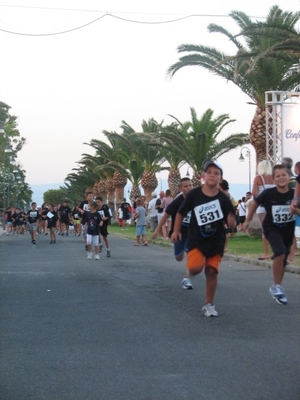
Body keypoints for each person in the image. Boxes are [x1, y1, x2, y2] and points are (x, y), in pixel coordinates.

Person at [172, 160, 236, 317]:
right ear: (203, 176)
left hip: (216, 240)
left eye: (216, 173)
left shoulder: (223, 198)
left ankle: (209, 304)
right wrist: (176, 231)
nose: (212, 175)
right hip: (197, 240)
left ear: (220, 179)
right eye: (209, 172)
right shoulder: (194, 195)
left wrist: (232, 221)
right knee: (195, 268)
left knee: (212, 271)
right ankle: (191, 271)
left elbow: (231, 216)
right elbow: (180, 213)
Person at [242, 164, 299, 305]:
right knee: (279, 251)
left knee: (283, 258)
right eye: (278, 176)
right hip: (271, 227)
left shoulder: (294, 195)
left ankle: (276, 286)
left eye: (283, 175)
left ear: (288, 177)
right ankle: (278, 287)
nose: (281, 178)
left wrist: (295, 211)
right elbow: (255, 203)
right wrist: (247, 220)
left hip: (287, 229)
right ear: (273, 179)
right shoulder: (268, 193)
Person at [152, 177, 193, 289]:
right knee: (179, 257)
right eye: (186, 186)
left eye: (190, 185)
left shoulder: (196, 200)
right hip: (178, 233)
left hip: (192, 233)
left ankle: (186, 279)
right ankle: (182, 251)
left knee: (191, 254)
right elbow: (165, 216)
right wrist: (156, 230)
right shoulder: (177, 202)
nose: (189, 188)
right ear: (180, 188)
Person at [251, 160, 275, 260]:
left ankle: (266, 253)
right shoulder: (274, 178)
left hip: (262, 207)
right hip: (274, 206)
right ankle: (277, 251)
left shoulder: (258, 178)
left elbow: (254, 193)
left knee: (265, 230)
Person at [282, 157, 299, 262]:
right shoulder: (295, 178)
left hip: (289, 205)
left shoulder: (286, 179)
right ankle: (294, 250)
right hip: (295, 204)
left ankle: (292, 251)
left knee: (289, 228)